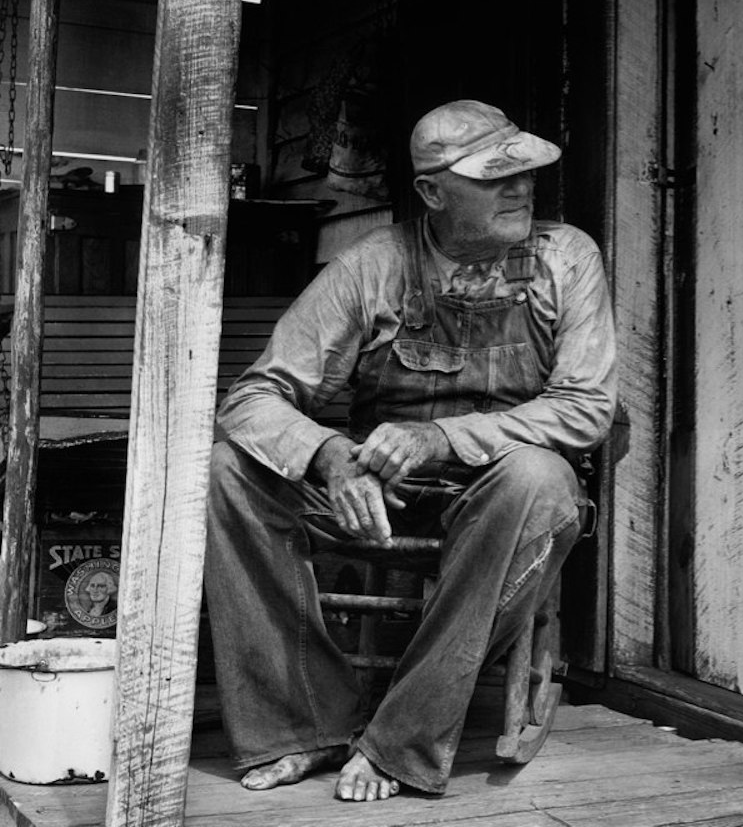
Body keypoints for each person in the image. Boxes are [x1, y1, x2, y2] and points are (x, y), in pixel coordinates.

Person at [205, 99, 617, 803]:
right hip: (381, 493)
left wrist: (440, 438)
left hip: (498, 497)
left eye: (524, 173)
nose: (520, 189)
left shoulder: (565, 258)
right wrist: (327, 455)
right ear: (432, 192)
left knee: (539, 479)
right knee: (231, 470)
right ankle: (300, 725)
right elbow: (252, 398)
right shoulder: (374, 266)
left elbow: (587, 408)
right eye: (494, 178)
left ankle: (401, 738)